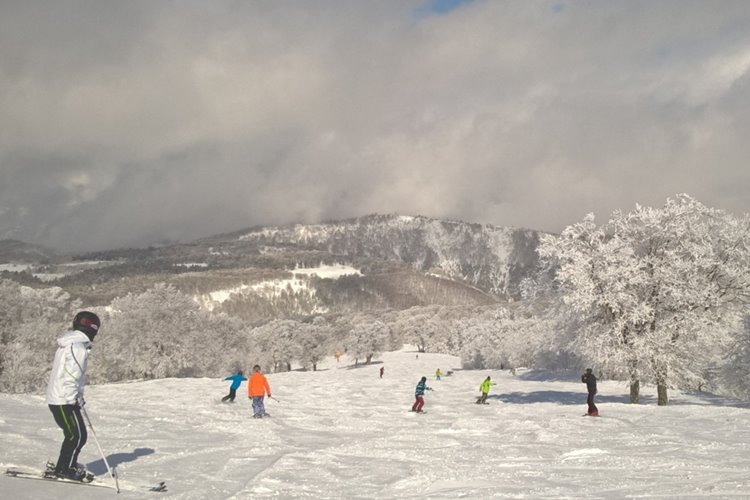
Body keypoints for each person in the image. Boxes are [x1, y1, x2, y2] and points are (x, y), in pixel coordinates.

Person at [45, 311, 101, 482]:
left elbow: (75, 376)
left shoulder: (72, 344)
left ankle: (66, 464)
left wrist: (79, 396)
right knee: (75, 436)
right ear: (92, 327)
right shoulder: (77, 347)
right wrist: (72, 397)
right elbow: (72, 375)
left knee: (78, 435)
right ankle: (65, 469)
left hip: (63, 397)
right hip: (63, 399)